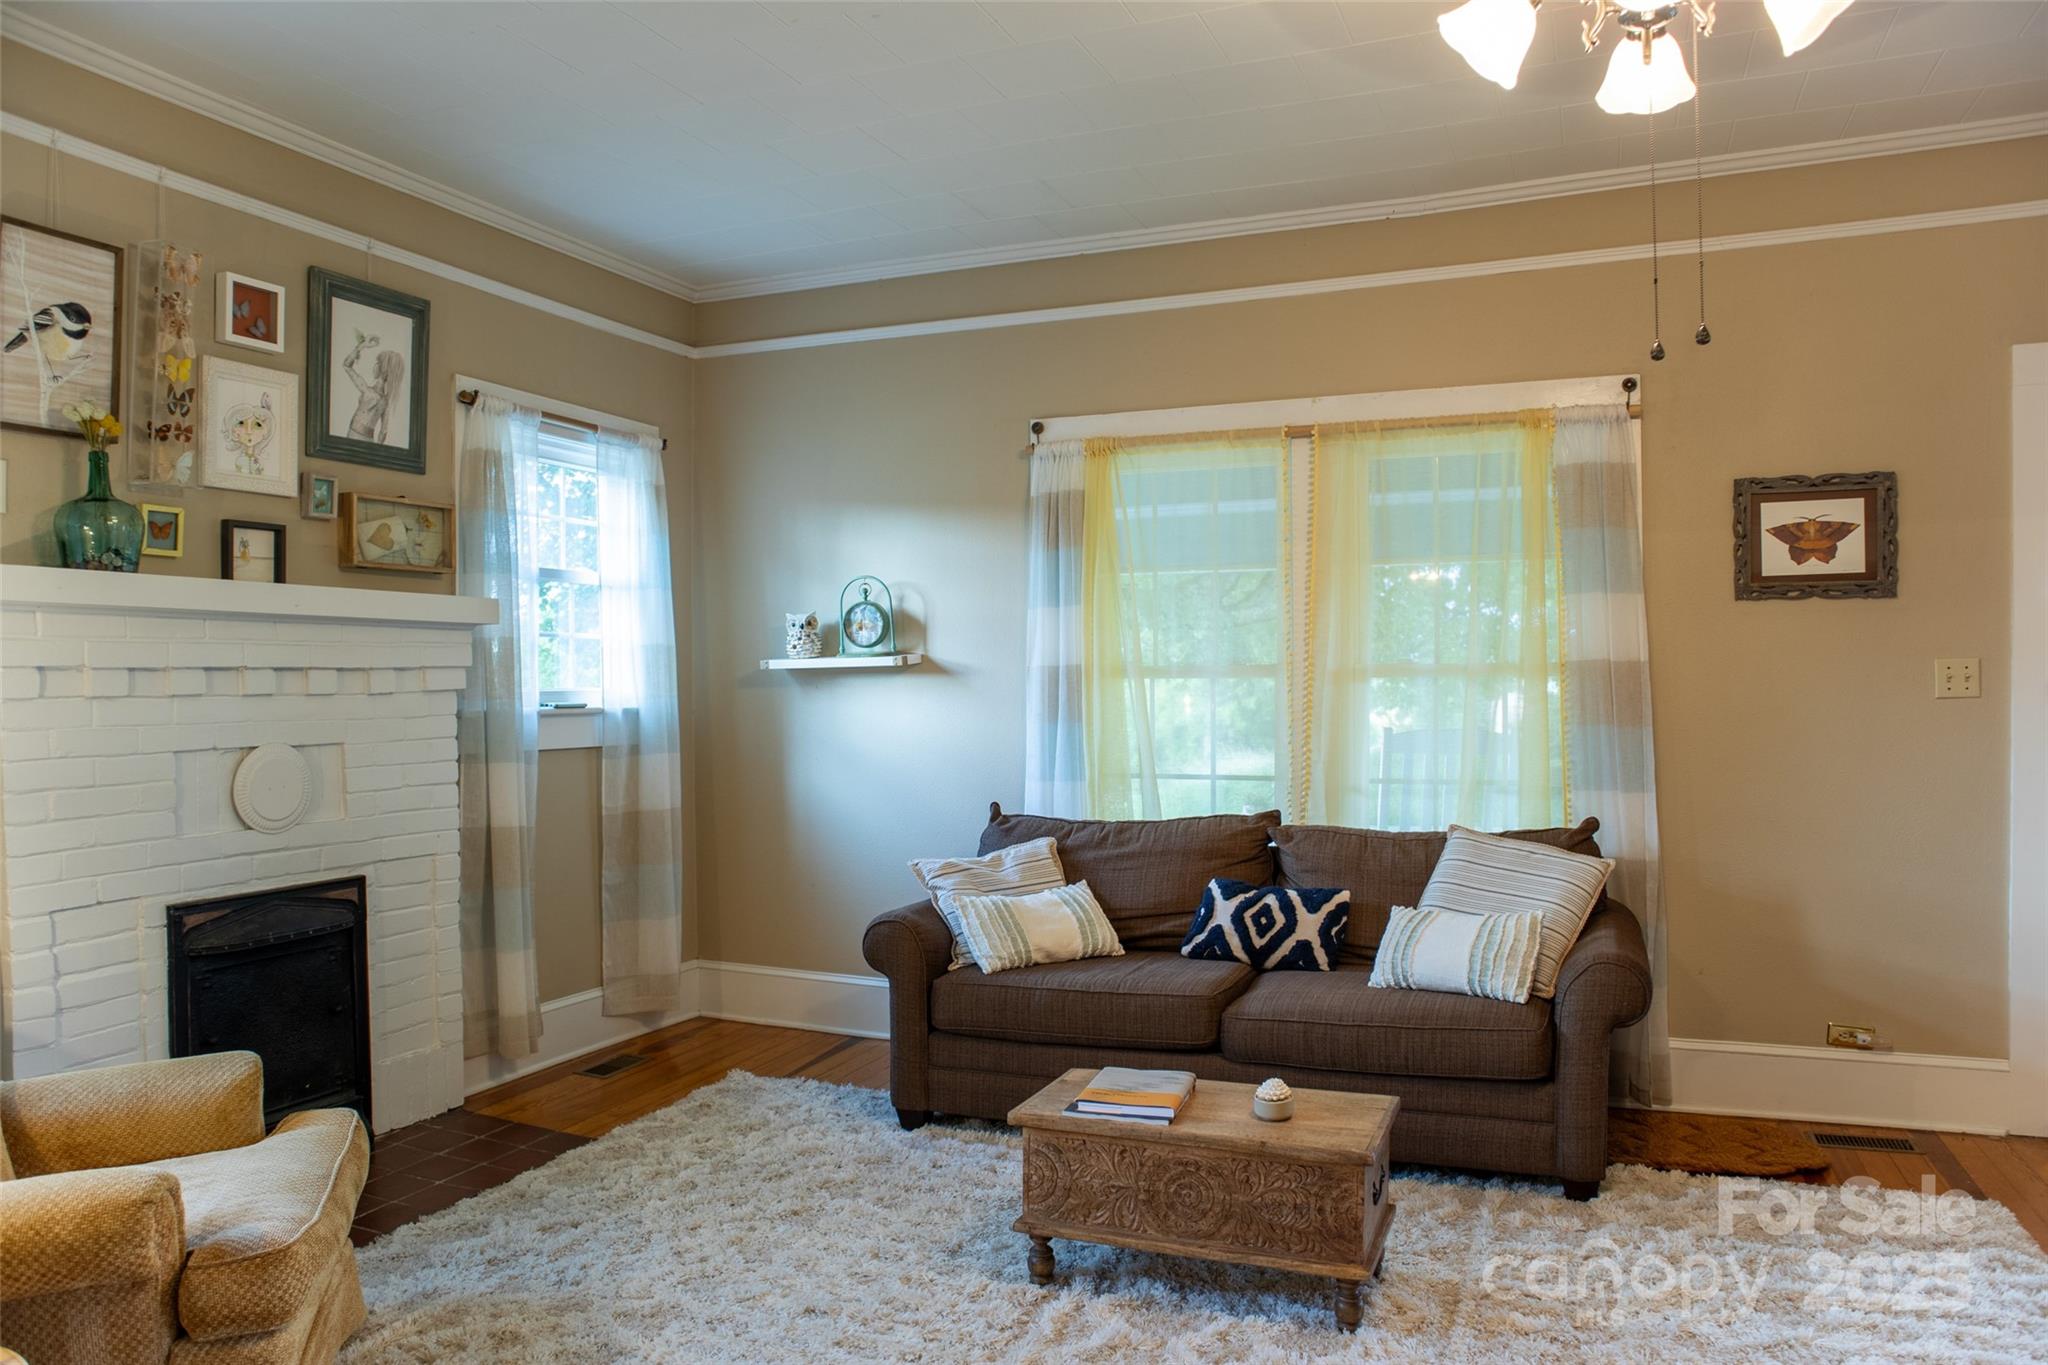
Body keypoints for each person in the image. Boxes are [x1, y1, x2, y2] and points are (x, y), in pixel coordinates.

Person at [342, 330, 404, 444]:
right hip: (369, 442)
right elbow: (383, 432)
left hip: (353, 436)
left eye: (377, 362)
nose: (374, 365)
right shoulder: (385, 401)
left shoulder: (368, 391)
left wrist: (362, 346)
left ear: (382, 369)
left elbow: (346, 365)